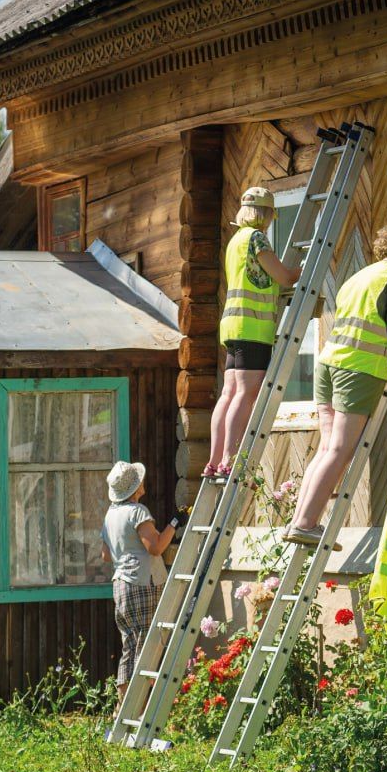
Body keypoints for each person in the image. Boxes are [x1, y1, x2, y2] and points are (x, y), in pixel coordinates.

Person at [283, 224, 387, 545]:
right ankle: (306, 523)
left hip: (328, 365)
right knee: (340, 450)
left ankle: (298, 521)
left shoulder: (359, 278)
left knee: (327, 448)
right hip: (358, 370)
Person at [205, 186, 303, 479]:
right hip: (254, 327)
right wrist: (304, 269)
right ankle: (228, 459)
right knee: (245, 394)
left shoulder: (235, 240)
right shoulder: (256, 238)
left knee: (229, 393)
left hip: (233, 325)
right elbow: (283, 276)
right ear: (266, 214)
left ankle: (214, 461)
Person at [101, 460, 187, 715]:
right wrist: (175, 522)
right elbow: (156, 547)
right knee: (147, 644)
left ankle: (122, 707)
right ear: (136, 487)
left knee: (130, 643)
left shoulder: (111, 514)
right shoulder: (137, 511)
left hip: (121, 584)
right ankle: (142, 708)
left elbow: (106, 555)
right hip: (142, 582)